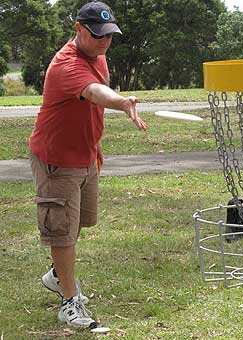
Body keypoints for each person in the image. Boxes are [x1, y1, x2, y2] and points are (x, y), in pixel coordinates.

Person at [29, 1, 147, 329]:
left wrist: (94, 144)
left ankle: (57, 274)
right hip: (57, 160)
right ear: (79, 30)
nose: (105, 41)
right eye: (98, 35)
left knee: (77, 222)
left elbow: (90, 103)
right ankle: (69, 302)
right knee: (63, 232)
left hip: (84, 154)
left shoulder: (97, 53)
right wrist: (123, 102)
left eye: (109, 35)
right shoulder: (66, 64)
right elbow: (96, 92)